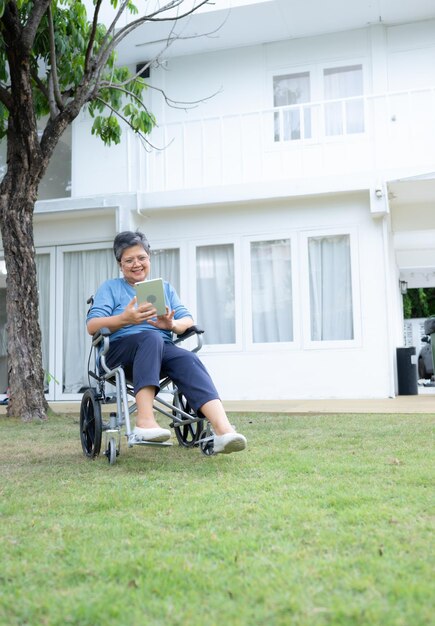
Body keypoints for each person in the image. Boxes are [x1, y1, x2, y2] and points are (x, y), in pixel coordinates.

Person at [86, 230, 247, 455]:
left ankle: (223, 431)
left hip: (159, 350)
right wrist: (125, 319)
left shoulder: (164, 288)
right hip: (121, 354)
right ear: (120, 264)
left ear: (149, 259)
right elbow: (92, 326)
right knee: (150, 338)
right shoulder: (110, 288)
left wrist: (170, 325)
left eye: (141, 258)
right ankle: (144, 423)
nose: (136, 264)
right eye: (129, 260)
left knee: (187, 358)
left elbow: (187, 320)